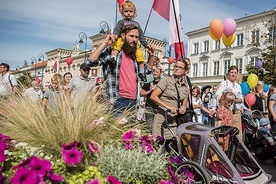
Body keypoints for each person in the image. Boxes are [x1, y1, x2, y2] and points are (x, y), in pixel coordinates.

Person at [88, 25, 140, 116]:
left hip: (133, 101)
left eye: (136, 37)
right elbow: (90, 62)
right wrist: (105, 43)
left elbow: (147, 73)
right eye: (131, 36)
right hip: (118, 100)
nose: (134, 39)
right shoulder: (113, 52)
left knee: (130, 130)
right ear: (123, 36)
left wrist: (151, 55)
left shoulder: (134, 56)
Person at [110, 0, 153, 81]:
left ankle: (141, 71)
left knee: (139, 54)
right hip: (122, 40)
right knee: (116, 45)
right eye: (126, 11)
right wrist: (114, 37)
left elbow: (141, 36)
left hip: (133, 45)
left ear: (134, 12)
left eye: (130, 11)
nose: (128, 13)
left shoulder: (136, 24)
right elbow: (116, 31)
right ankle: (113, 57)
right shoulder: (121, 22)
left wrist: (146, 45)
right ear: (122, 13)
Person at [150, 60, 188, 139]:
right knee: (158, 146)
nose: (177, 68)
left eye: (180, 67)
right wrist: (168, 107)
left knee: (172, 147)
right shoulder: (166, 80)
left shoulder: (184, 86)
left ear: (185, 71)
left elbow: (185, 98)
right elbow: (153, 96)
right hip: (161, 120)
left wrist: (184, 106)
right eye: (176, 66)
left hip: (173, 122)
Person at [214, 66, 243, 138]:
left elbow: (241, 98)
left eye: (235, 73)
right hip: (226, 112)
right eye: (232, 72)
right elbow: (217, 95)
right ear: (228, 74)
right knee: (226, 134)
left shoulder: (238, 86)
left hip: (236, 112)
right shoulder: (224, 83)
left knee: (237, 134)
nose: (233, 74)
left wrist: (239, 101)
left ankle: (236, 148)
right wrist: (227, 99)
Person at [140, 66, 162, 132]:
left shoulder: (162, 84)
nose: (155, 73)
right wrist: (149, 91)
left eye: (157, 72)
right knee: (149, 127)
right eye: (154, 72)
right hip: (149, 107)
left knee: (158, 127)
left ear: (160, 73)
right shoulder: (149, 83)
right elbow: (141, 93)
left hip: (159, 107)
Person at [183, 57, 194, 122]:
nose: (189, 66)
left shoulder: (187, 78)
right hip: (181, 109)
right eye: (187, 64)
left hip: (188, 109)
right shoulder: (178, 78)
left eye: (189, 64)